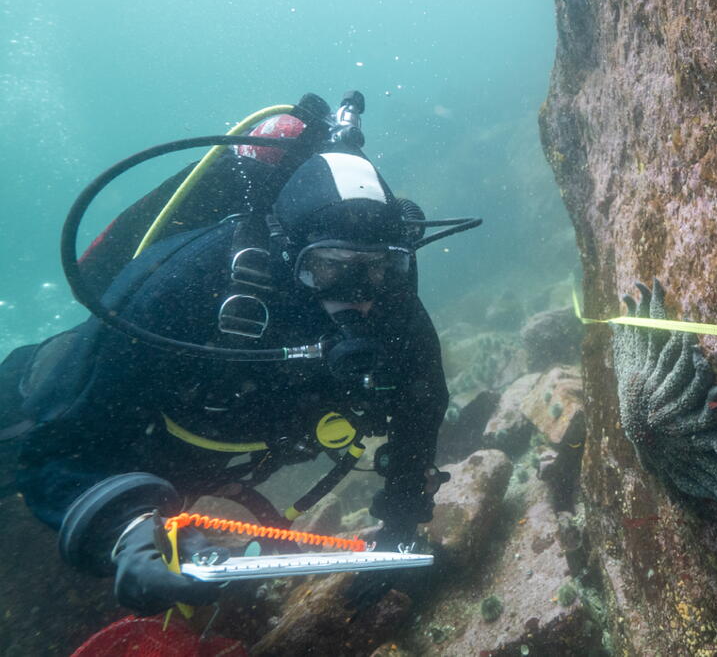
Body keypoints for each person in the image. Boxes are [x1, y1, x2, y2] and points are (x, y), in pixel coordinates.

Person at [4, 101, 459, 616]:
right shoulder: (180, 284)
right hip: (39, 408)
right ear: (288, 255)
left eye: (376, 270)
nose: (358, 295)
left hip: (201, 456)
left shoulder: (394, 306)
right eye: (328, 268)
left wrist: (400, 527)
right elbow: (56, 451)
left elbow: (422, 407)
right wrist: (127, 532)